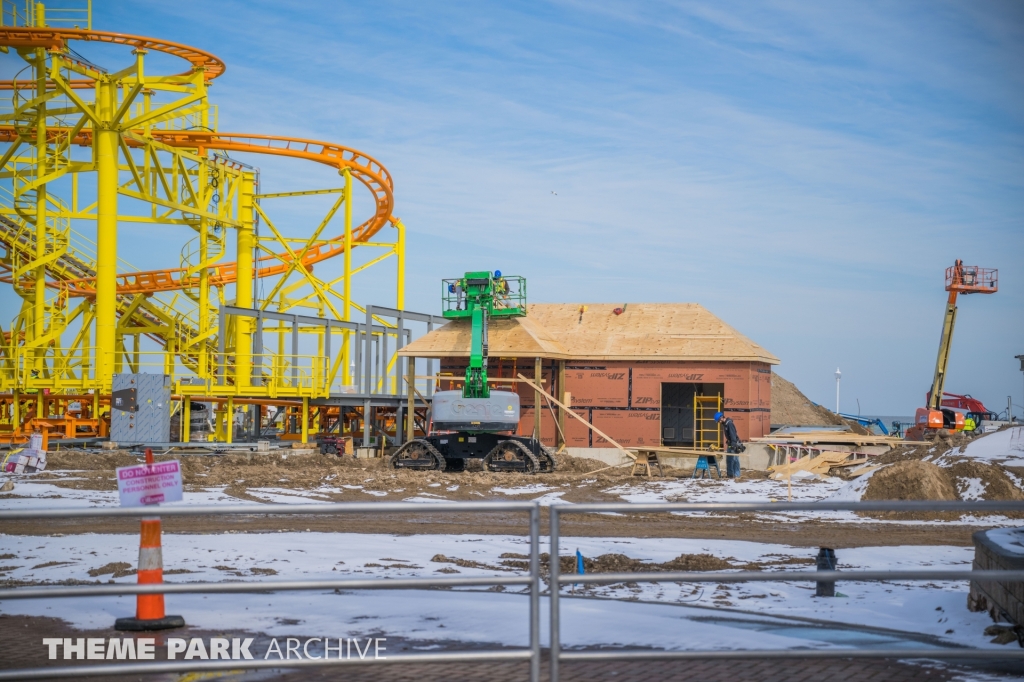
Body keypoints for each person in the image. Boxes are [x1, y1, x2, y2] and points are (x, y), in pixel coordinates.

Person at [715, 411, 744, 478]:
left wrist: (733, 445)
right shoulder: (725, 424)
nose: (719, 422)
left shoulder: (729, 424)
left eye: (719, 421)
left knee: (735, 460)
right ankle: (730, 475)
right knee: (729, 460)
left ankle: (737, 475)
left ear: (721, 418)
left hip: (734, 444)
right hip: (730, 443)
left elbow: (733, 434)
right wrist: (728, 441)